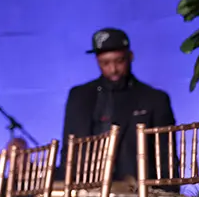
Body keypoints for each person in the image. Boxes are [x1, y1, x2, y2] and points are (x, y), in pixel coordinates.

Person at [59, 28, 177, 189]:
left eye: (119, 61)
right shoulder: (79, 96)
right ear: (97, 61)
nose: (113, 69)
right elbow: (68, 151)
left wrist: (168, 192)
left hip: (136, 190)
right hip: (85, 189)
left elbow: (166, 156)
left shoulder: (154, 99)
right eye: (105, 63)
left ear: (130, 56)